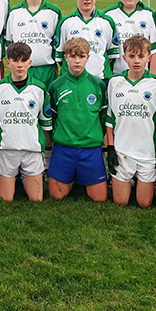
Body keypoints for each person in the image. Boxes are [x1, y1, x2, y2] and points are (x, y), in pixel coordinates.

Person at [0, 42, 52, 202]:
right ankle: (14, 176)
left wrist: (46, 154)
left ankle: (25, 177)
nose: (19, 65)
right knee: (6, 199)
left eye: (24, 61)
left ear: (29, 63)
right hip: (7, 149)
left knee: (36, 199)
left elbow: (46, 125)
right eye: (15, 61)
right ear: (8, 63)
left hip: (32, 149)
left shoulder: (39, 89)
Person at [47, 37, 108, 202]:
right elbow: (52, 117)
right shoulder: (56, 86)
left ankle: (81, 176)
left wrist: (100, 138)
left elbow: (103, 117)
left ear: (88, 57)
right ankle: (72, 176)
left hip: (90, 149)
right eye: (72, 56)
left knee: (100, 198)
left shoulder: (98, 85)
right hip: (64, 148)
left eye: (81, 57)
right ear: (65, 57)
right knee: (56, 195)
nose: (77, 61)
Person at [105, 36, 156, 207]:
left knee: (144, 203)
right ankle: (127, 180)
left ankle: (143, 181)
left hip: (147, 151)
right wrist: (111, 147)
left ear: (149, 58)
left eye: (141, 56)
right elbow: (110, 118)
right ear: (124, 58)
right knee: (120, 202)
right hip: (122, 150)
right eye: (131, 56)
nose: (136, 61)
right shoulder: (115, 82)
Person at [6, 0, 61, 87]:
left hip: (47, 70)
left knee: (47, 104)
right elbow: (9, 44)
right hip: (21, 71)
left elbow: (59, 44)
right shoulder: (14, 12)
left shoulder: (54, 12)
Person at [56, 0, 119, 80]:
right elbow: (61, 56)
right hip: (71, 80)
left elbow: (111, 55)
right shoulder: (66, 22)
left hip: (100, 79)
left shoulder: (107, 22)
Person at [103, 0, 156, 74]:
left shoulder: (149, 14)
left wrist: (152, 75)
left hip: (143, 75)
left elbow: (155, 49)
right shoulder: (108, 15)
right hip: (117, 75)